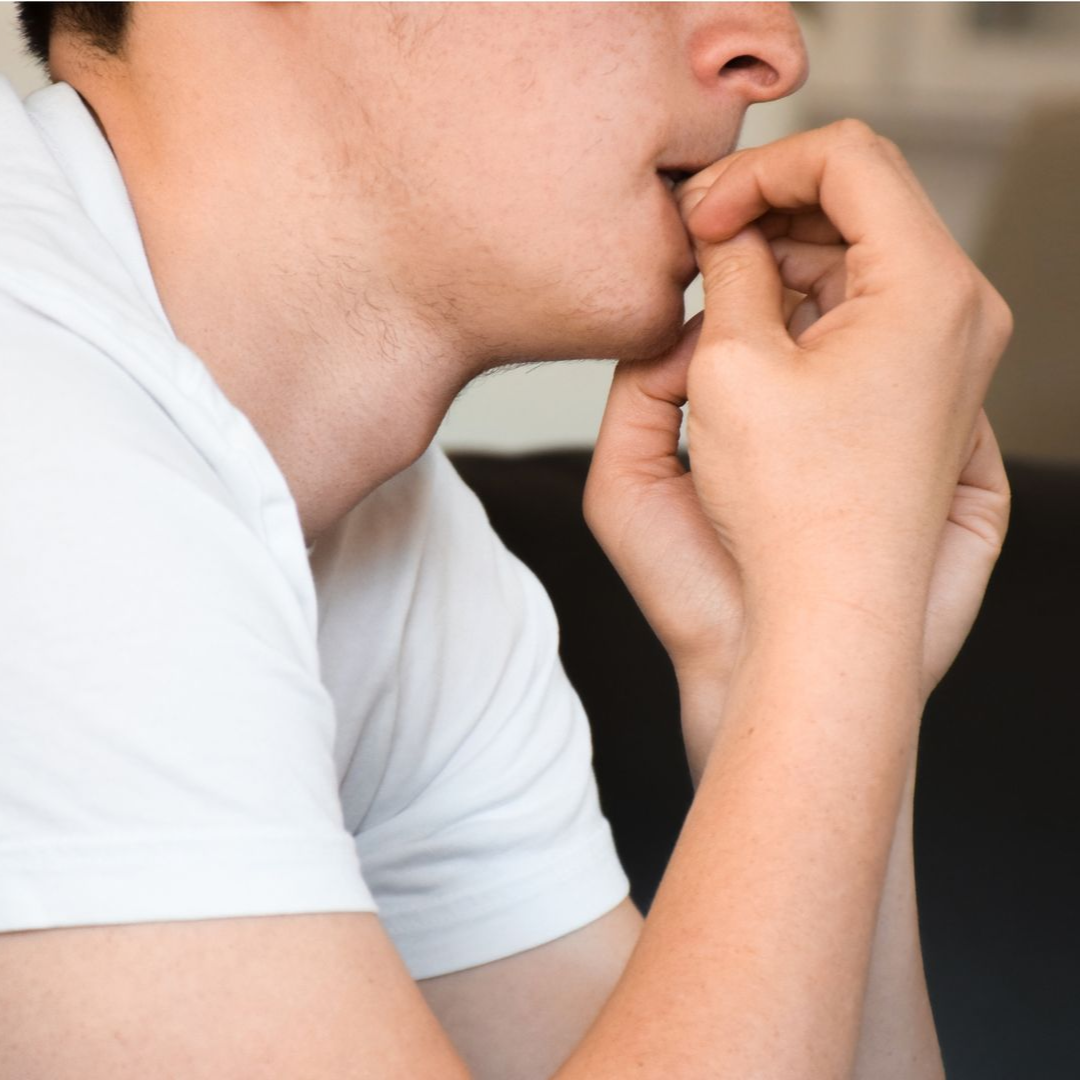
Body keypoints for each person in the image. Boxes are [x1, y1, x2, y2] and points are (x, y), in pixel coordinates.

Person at [0, 3, 1011, 1078]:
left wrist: (796, 647)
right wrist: (837, 604)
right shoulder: (37, 451)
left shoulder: (395, 549)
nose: (771, 49)